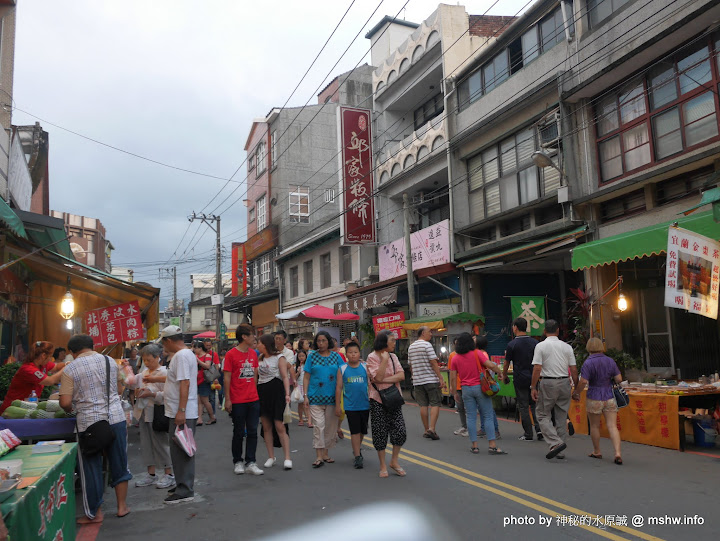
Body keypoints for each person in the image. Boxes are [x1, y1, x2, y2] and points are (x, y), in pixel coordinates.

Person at [59, 334, 130, 522]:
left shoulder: (70, 369)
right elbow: (120, 390)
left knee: (91, 468)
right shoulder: (110, 361)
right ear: (92, 346)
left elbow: (65, 402)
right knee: (119, 463)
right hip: (115, 418)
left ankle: (95, 514)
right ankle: (122, 507)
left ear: (73, 352)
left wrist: (72, 407)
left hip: (89, 424)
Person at [160, 325, 199, 504]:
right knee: (179, 449)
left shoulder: (182, 356)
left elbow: (185, 384)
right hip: (179, 410)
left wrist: (181, 411)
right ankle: (182, 483)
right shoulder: (184, 354)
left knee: (182, 450)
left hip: (182, 411)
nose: (163, 346)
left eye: (163, 342)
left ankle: (185, 488)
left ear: (168, 340)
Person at [449, 333, 506, 455]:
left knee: (470, 417)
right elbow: (490, 365)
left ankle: (474, 446)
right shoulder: (476, 353)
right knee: (487, 415)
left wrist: (454, 392)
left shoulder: (455, 358)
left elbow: (453, 378)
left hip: (465, 389)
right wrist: (500, 372)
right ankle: (492, 445)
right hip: (480, 388)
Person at [127, 344, 175, 490]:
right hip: (143, 413)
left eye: (149, 359)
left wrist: (152, 394)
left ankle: (169, 474)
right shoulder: (142, 374)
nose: (147, 363)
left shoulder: (164, 373)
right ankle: (151, 474)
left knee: (161, 444)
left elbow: (168, 395)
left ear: (157, 357)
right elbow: (129, 382)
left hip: (157, 414)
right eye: (145, 360)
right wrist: (125, 369)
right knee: (146, 445)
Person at [531, 320, 578, 460]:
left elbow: (537, 368)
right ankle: (561, 450)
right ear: (558, 330)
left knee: (542, 414)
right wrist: (576, 388)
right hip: (565, 382)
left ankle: (555, 443)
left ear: (544, 331)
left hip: (548, 382)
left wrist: (533, 386)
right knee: (561, 416)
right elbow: (574, 369)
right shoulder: (567, 347)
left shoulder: (540, 346)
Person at [572, 338, 623, 465]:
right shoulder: (610, 361)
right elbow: (619, 379)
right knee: (612, 425)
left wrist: (576, 392)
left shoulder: (588, 363)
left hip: (594, 395)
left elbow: (583, 381)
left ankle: (597, 451)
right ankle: (617, 452)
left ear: (589, 347)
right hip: (609, 395)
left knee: (595, 425)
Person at [223, 324, 264, 475]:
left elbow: (254, 375)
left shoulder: (253, 353)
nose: (254, 337)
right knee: (239, 431)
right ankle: (237, 461)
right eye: (252, 334)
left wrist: (254, 392)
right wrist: (228, 399)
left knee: (253, 431)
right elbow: (226, 378)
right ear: (244, 337)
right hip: (237, 399)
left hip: (253, 399)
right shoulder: (231, 354)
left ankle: (251, 461)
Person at [367, 330, 407, 478]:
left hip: (394, 398)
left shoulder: (394, 356)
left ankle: (394, 461)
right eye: (392, 340)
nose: (394, 343)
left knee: (400, 431)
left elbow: (402, 375)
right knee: (380, 432)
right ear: (383, 342)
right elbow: (377, 377)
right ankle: (383, 465)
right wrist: (383, 361)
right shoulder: (372, 357)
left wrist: (383, 380)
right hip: (377, 399)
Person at [303, 331, 345, 468]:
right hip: (315, 397)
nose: (321, 343)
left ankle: (326, 454)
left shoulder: (336, 357)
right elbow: (306, 377)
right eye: (319, 341)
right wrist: (305, 395)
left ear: (329, 342)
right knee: (318, 426)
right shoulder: (312, 357)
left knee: (329, 428)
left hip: (333, 398)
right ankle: (319, 456)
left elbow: (345, 371)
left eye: (324, 341)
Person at [257, 334, 292, 470]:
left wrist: (287, 394)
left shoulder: (279, 357)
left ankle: (287, 457)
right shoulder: (259, 358)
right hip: (262, 392)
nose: (257, 345)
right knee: (266, 426)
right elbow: (257, 378)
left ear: (265, 344)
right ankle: (271, 456)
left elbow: (284, 377)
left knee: (280, 426)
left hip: (277, 393)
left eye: (259, 343)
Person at [503, 317, 541, 441]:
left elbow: (506, 363)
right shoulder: (535, 343)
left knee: (524, 406)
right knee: (535, 405)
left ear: (515, 327)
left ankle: (528, 434)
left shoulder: (512, 344)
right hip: (534, 378)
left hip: (520, 378)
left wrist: (504, 375)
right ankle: (540, 430)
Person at [0, 341, 65, 414]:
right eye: (50, 356)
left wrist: (67, 364)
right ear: (43, 356)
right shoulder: (28, 369)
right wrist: (66, 369)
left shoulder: (43, 364)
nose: (51, 359)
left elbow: (56, 366)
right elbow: (49, 381)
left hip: (28, 407)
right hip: (13, 410)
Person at [335, 342, 369, 469]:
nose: (353, 354)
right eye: (350, 352)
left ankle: (357, 448)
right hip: (350, 405)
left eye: (355, 352)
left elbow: (371, 384)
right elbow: (338, 388)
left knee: (362, 431)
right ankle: (357, 456)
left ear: (359, 353)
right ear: (346, 354)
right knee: (354, 431)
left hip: (365, 404)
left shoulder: (365, 367)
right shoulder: (342, 368)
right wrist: (338, 405)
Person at [407, 326, 442, 440]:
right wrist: (440, 378)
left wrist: (414, 377)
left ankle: (426, 429)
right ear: (423, 333)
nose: (431, 334)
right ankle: (432, 428)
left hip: (418, 381)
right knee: (435, 403)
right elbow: (433, 362)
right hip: (430, 379)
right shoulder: (427, 345)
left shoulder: (411, 347)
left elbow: (411, 365)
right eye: (429, 332)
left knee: (423, 405)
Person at [475, 335, 501, 440]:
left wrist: (499, 373)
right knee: (482, 408)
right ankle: (484, 428)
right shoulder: (480, 353)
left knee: (487, 408)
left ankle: (495, 430)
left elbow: (489, 367)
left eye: (474, 340)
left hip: (484, 384)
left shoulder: (481, 354)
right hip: (482, 383)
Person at [193, 341, 217, 426]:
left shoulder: (207, 356)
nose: (194, 350)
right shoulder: (195, 356)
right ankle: (199, 419)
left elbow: (207, 366)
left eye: (195, 348)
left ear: (200, 348)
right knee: (199, 401)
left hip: (204, 380)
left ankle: (212, 417)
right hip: (196, 381)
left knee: (205, 400)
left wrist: (198, 360)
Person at [448, 339, 468, 437]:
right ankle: (464, 426)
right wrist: (452, 386)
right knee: (460, 407)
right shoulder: (452, 355)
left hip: (467, 384)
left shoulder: (468, 354)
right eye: (455, 344)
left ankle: (470, 428)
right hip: (458, 385)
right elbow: (452, 373)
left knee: (469, 408)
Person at [294, 350, 310, 426]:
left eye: (303, 356)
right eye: (299, 356)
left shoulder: (308, 365)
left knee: (307, 404)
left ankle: (309, 419)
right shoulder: (296, 366)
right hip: (299, 385)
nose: (301, 358)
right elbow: (294, 377)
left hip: (307, 386)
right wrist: (298, 372)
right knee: (300, 404)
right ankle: (300, 419)